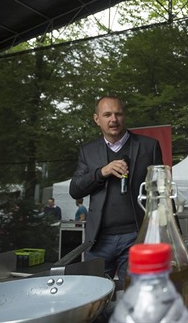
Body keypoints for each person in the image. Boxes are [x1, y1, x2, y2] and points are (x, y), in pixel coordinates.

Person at [69, 95, 163, 290]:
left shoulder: (148, 146)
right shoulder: (89, 151)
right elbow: (75, 189)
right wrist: (102, 172)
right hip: (98, 240)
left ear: (124, 116)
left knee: (134, 294)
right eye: (107, 114)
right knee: (94, 295)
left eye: (118, 114)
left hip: (136, 238)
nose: (113, 119)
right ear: (97, 119)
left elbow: (161, 192)